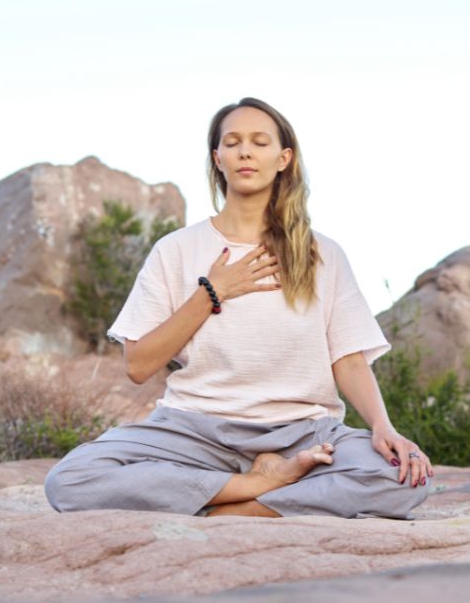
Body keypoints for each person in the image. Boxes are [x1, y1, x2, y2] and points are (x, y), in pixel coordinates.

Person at [44, 97, 434, 518]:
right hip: (192, 430)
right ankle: (257, 485)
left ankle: (238, 510)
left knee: (404, 478)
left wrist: (383, 427)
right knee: (71, 480)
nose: (245, 151)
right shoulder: (176, 250)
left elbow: (350, 360)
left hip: (302, 433)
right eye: (232, 142)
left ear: (284, 158)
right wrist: (211, 293)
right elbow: (139, 365)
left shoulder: (324, 254)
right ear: (218, 158)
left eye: (259, 142)